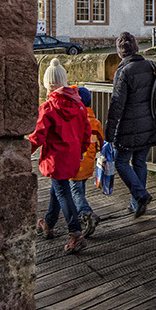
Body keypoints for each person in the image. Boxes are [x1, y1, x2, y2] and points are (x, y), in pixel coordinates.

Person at [29, 58, 91, 254]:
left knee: (62, 192)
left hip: (55, 159)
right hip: (72, 157)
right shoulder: (80, 105)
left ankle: (75, 233)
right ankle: (48, 224)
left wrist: (23, 152)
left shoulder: (48, 107)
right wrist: (81, 151)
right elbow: (86, 132)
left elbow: (38, 135)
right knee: (57, 190)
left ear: (47, 84)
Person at [105, 31, 156, 218]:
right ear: (136, 48)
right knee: (139, 162)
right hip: (149, 124)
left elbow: (117, 105)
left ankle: (140, 196)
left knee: (121, 162)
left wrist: (109, 134)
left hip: (129, 128)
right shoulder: (149, 66)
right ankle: (136, 203)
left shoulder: (123, 72)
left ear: (120, 53)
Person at [69, 86, 104, 236]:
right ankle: (79, 212)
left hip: (75, 162)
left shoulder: (75, 121)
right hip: (89, 162)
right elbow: (100, 143)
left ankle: (86, 213)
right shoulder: (95, 122)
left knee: (75, 190)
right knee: (80, 188)